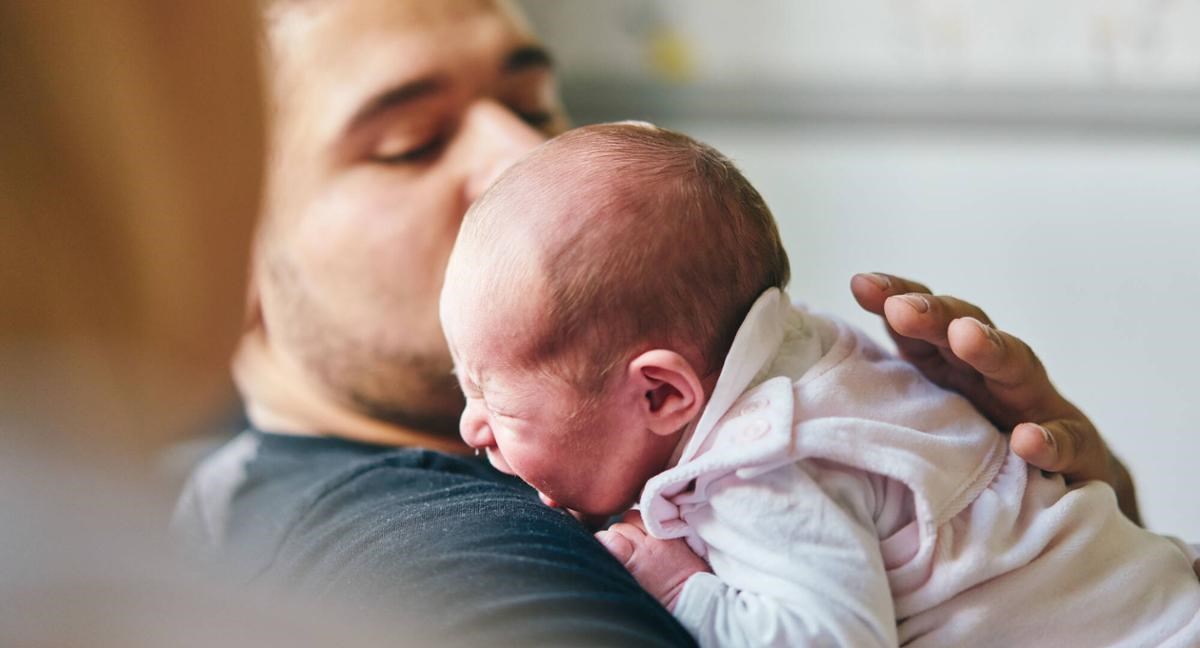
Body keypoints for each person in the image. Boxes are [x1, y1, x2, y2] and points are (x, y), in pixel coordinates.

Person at [175, 0, 1148, 644]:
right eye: (410, 144)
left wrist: (1084, 519)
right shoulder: (442, 560)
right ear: (227, 246)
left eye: (534, 100)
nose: (523, 152)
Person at [439, 122, 1200, 647]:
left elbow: (833, 639)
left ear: (662, 396)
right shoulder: (812, 350)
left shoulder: (759, 470)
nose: (473, 427)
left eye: (491, 396)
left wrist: (683, 589)